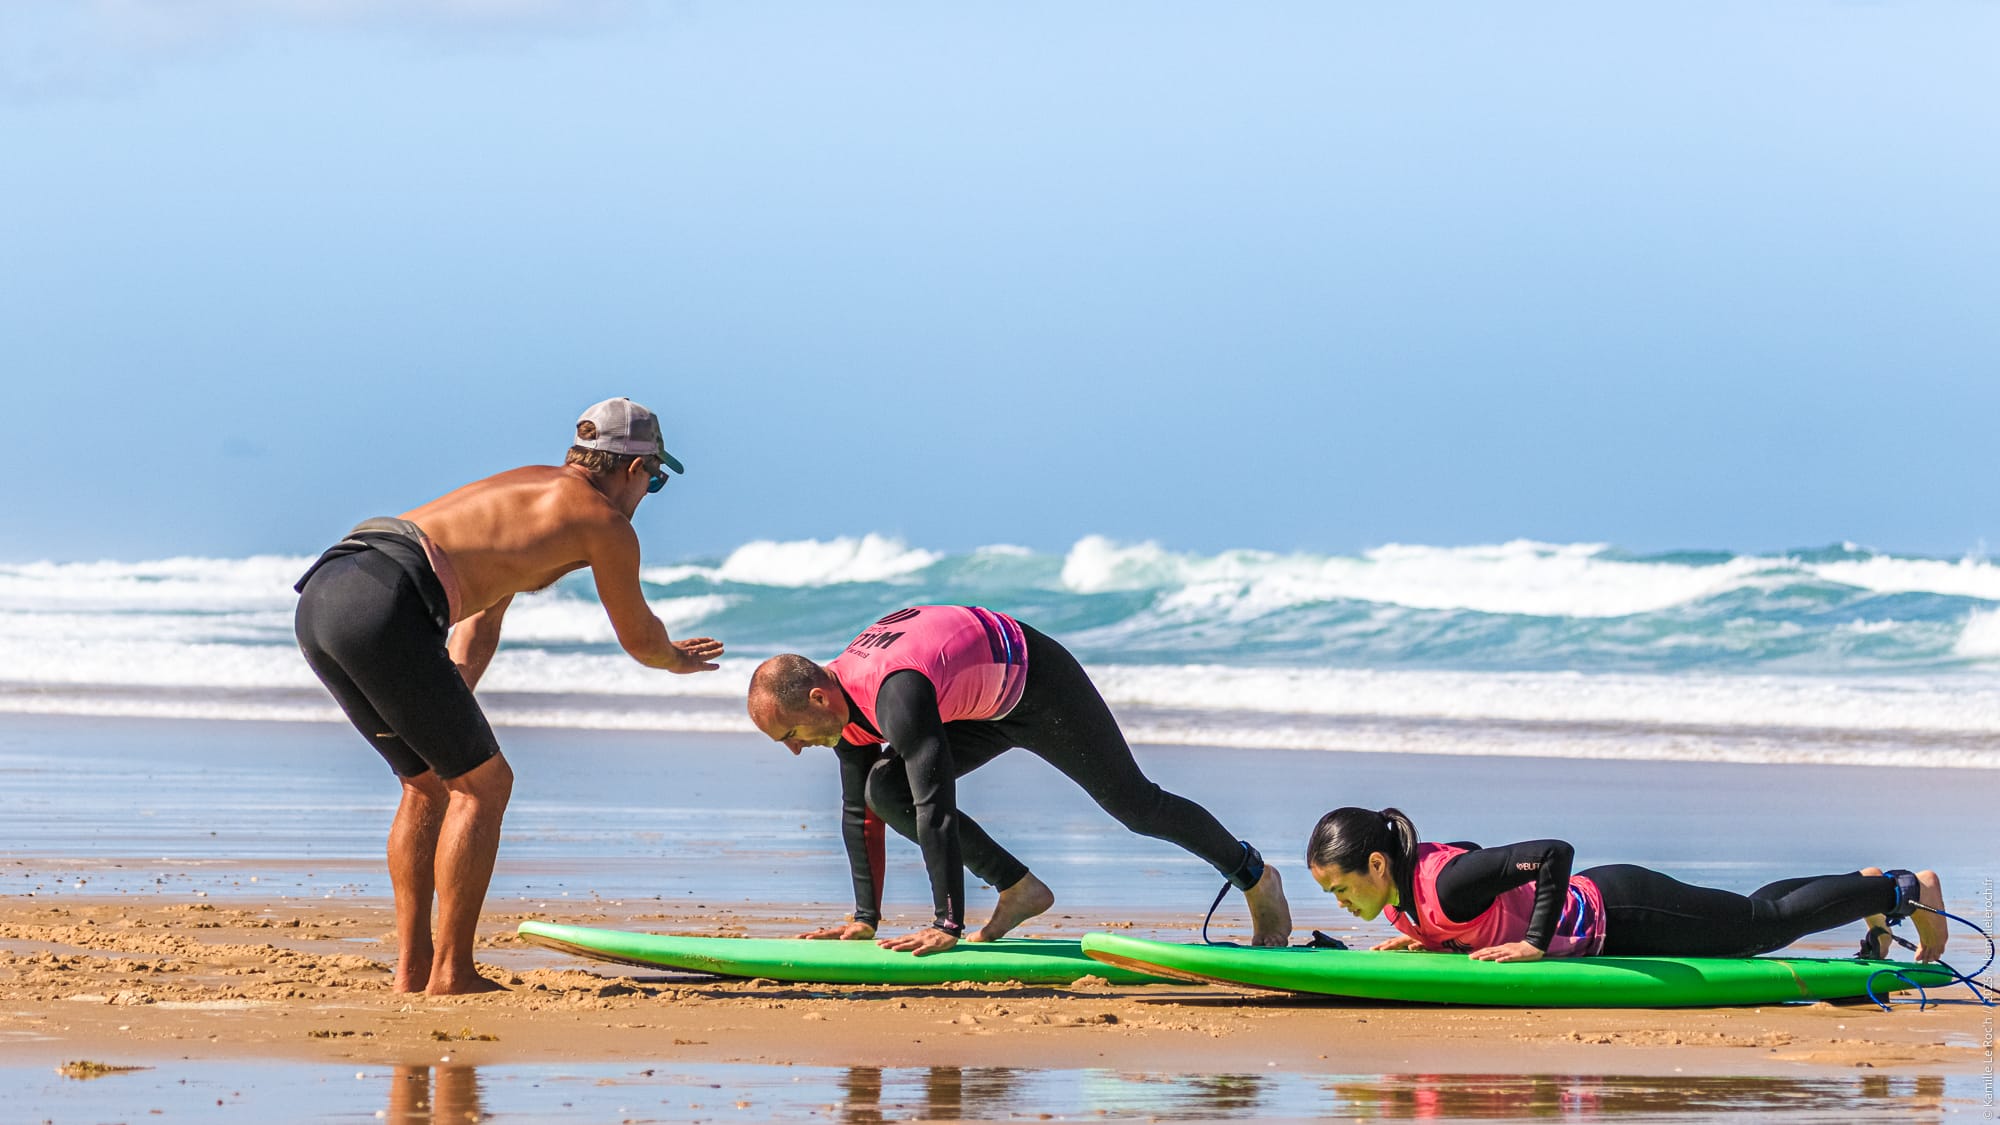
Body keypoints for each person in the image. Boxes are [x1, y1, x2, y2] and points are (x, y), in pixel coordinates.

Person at [293, 398, 724, 994]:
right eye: (655, 481)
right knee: (485, 786)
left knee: (428, 782)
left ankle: (414, 970)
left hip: (329, 592)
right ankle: (452, 973)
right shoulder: (603, 522)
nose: (648, 495)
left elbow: (480, 619)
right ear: (633, 469)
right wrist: (676, 659)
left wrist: (450, 699)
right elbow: (640, 638)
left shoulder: (526, 493)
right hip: (390, 602)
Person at [746, 605, 1292, 955]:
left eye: (791, 733)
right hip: (973, 701)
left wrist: (947, 924)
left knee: (1136, 805)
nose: (796, 748)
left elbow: (935, 803)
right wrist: (865, 918)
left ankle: (1254, 874)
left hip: (1037, 684)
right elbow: (857, 812)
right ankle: (1019, 888)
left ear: (818, 697)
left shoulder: (895, 693)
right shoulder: (841, 710)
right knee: (881, 790)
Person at [1303, 806, 1948, 963]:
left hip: (1622, 909)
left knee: (1760, 929)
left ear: (1378, 866)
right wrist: (1435, 943)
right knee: (1754, 911)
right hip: (1610, 910)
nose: (1339, 903)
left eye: (1340, 889)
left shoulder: (1442, 886)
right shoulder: (1404, 897)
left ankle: (1902, 889)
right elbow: (1486, 876)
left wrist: (1533, 941)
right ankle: (1857, 885)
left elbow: (1551, 853)